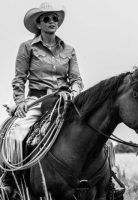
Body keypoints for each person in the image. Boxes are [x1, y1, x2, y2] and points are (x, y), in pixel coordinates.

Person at [2, 2, 83, 196]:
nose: (52, 21)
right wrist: (21, 102)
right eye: (46, 19)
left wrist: (73, 91)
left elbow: (77, 79)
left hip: (65, 100)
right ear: (38, 24)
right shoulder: (27, 47)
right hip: (37, 100)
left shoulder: (69, 50)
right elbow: (19, 79)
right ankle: (11, 178)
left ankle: (109, 179)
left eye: (55, 18)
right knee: (16, 133)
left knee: (95, 128)